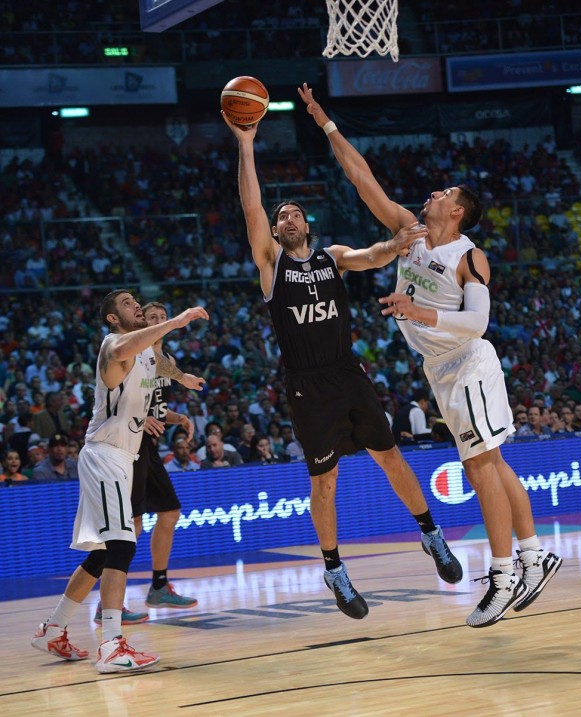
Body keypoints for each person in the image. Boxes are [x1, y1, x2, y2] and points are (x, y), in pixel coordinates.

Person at [297, 83, 562, 628]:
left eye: (444, 192)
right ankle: (534, 555)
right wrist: (326, 123)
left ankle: (502, 573)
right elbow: (361, 177)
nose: (433, 194)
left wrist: (418, 313)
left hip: (469, 362)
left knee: (480, 466)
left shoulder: (470, 257)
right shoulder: (408, 232)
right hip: (440, 369)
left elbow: (479, 323)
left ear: (459, 209)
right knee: (493, 462)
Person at [223, 107, 462, 623]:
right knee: (324, 483)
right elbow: (250, 210)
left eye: (293, 214)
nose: (284, 219)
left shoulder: (331, 256)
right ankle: (333, 568)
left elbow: (374, 255)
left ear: (307, 224)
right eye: (280, 216)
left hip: (347, 373)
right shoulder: (272, 264)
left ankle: (432, 535)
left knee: (392, 458)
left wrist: (396, 244)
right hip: (307, 385)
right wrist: (246, 145)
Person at [31, 289, 207, 672]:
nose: (137, 307)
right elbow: (127, 352)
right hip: (105, 454)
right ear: (113, 318)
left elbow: (160, 365)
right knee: (123, 545)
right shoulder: (113, 345)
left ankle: (53, 629)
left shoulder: (145, 351)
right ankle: (111, 644)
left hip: (124, 456)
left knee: (103, 554)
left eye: (136, 302)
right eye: (127, 304)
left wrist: (184, 377)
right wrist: (175, 322)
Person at [93, 300, 200, 626]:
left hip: (147, 445)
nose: (153, 320)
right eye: (148, 317)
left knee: (169, 511)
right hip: (126, 444)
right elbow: (131, 403)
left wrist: (174, 415)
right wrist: (150, 418)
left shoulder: (160, 360)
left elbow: (149, 401)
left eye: (159, 317)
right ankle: (109, 605)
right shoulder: (127, 350)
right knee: (129, 526)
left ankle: (157, 585)